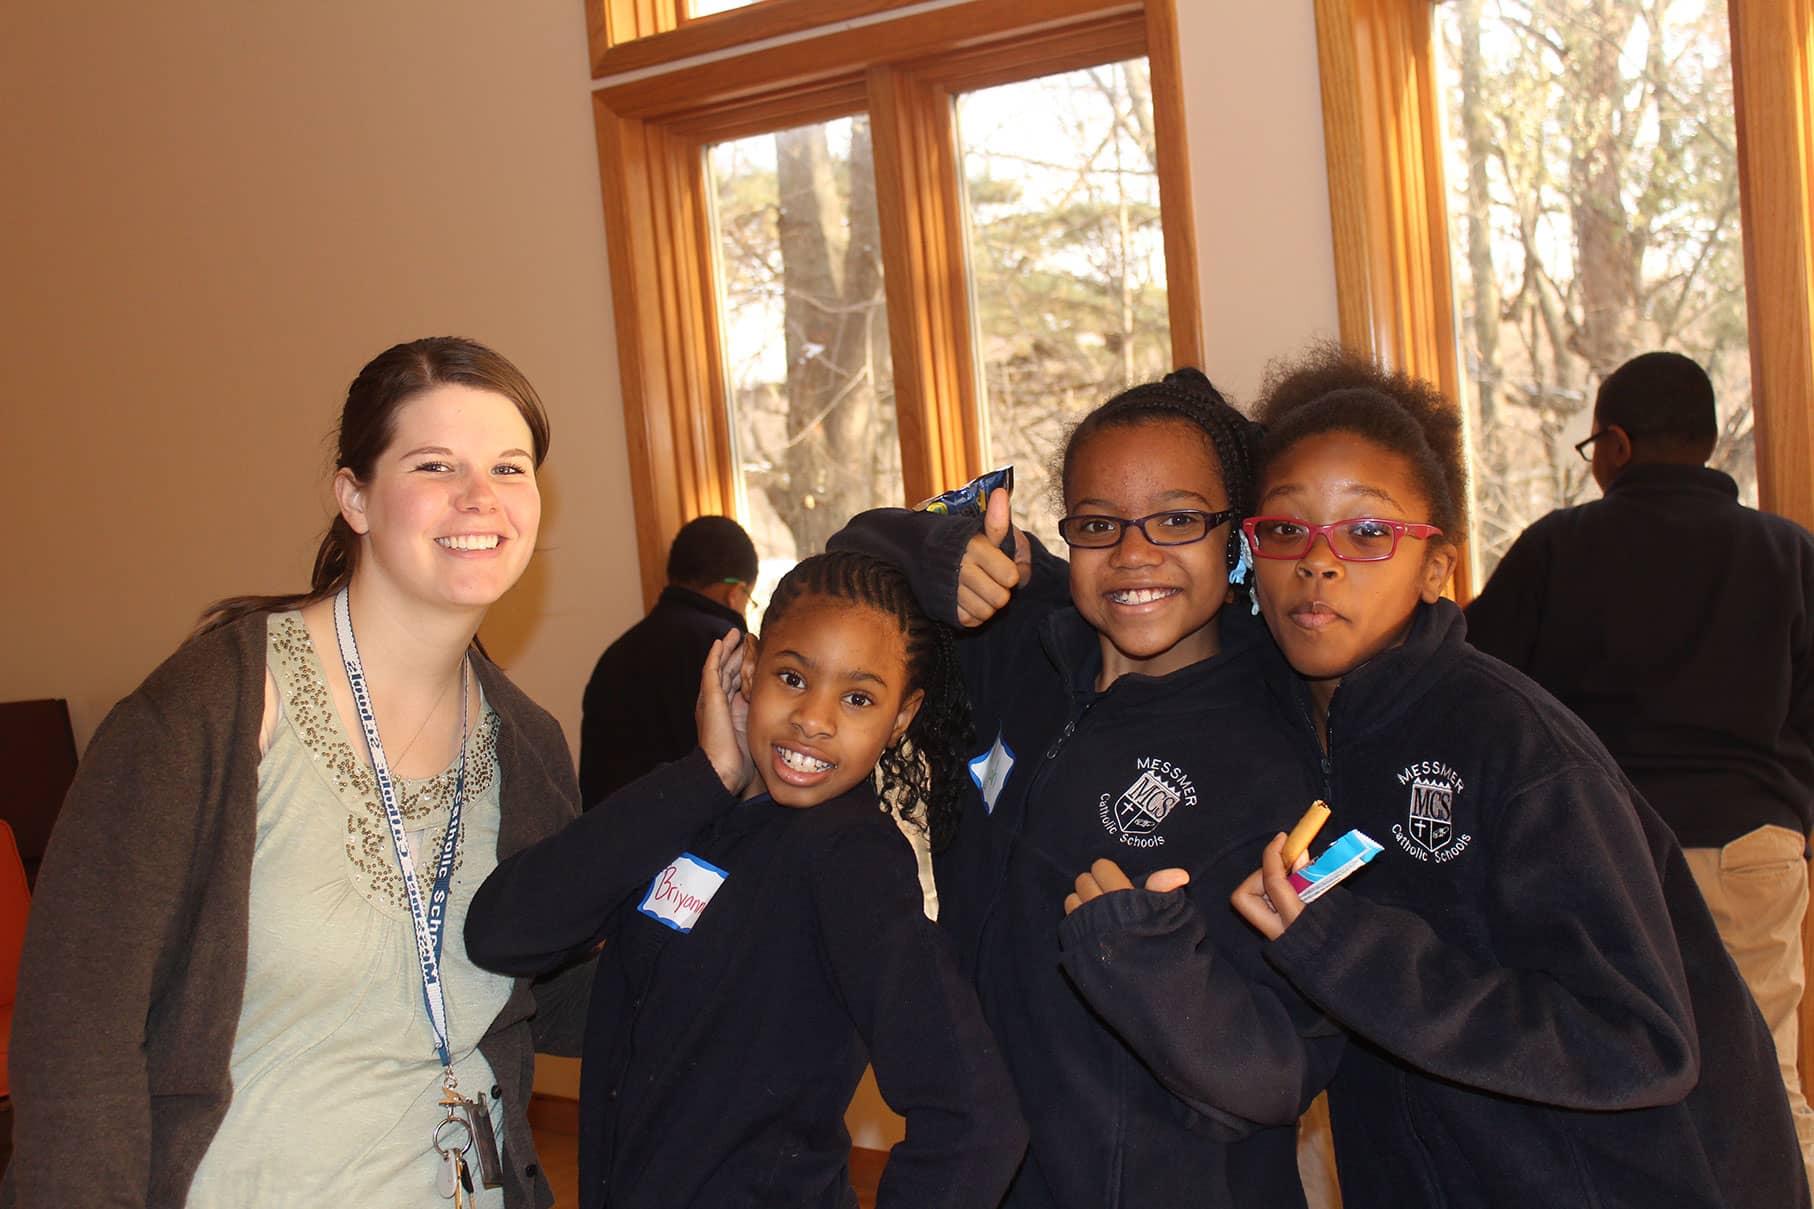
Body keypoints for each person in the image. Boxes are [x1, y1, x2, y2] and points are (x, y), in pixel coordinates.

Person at [4, 337, 591, 1208]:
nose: (482, 498)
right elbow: (77, 1031)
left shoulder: (527, 745)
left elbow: (572, 1002)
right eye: (436, 464)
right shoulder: (214, 711)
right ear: (353, 496)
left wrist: (721, 802)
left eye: (510, 467)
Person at [1229, 344, 1805, 1208]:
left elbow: (1636, 1042)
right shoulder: (1290, 727)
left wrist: (1346, 948)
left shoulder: (1522, 751)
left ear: (1438, 566)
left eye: (1368, 530)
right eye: (1284, 529)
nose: (1319, 560)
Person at [831, 370, 1341, 1209]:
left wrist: (1152, 969)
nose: (1134, 553)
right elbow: (841, 567)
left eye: (1177, 518)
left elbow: (1286, 1068)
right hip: (976, 1170)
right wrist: (933, 556)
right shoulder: (1014, 640)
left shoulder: (1280, 749)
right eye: (1099, 524)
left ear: (1235, 539)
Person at [464, 550, 1027, 1209]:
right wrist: (705, 776)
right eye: (792, 677)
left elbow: (976, 1116)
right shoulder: (700, 813)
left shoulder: (853, 858)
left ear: (900, 718)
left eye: (857, 698)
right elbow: (502, 933)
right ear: (748, 667)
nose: (814, 719)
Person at [1465, 350, 1814, 1186]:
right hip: (1750, 845)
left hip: (1602, 853)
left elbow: (1475, 687)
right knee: (1770, 1083)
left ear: (1614, 444)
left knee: (1612, 1079)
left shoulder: (1559, 547)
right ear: (1708, 442)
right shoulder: (1789, 551)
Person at [578, 515, 758, 804]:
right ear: (734, 593)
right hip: (703, 838)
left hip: (618, 835)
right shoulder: (729, 652)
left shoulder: (615, 656)